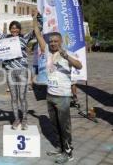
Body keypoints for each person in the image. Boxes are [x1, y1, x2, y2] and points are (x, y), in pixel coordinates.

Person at [33, 11, 82, 164]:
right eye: (51, 41)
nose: (53, 43)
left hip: (63, 96)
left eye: (56, 41)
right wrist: (34, 19)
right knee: (55, 125)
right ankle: (60, 149)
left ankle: (69, 153)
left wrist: (66, 56)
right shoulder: (47, 51)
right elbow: (38, 34)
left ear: (60, 42)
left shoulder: (68, 53)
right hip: (50, 95)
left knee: (64, 126)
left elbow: (79, 65)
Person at [0, 19, 36, 130]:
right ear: (10, 29)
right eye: (12, 28)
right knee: (13, 97)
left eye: (16, 28)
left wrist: (36, 18)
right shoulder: (5, 38)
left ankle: (24, 119)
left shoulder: (24, 38)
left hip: (22, 70)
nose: (14, 30)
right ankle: (16, 119)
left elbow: (37, 30)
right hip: (10, 71)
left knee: (22, 97)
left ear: (19, 29)